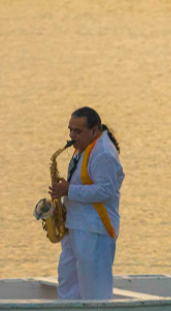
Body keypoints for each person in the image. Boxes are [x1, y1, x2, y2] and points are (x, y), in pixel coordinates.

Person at [48, 107, 124, 300]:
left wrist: (69, 190)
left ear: (95, 131)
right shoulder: (82, 148)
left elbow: (105, 190)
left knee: (94, 291)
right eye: (70, 130)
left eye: (78, 131)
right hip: (76, 227)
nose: (72, 136)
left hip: (94, 231)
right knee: (68, 283)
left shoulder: (104, 154)